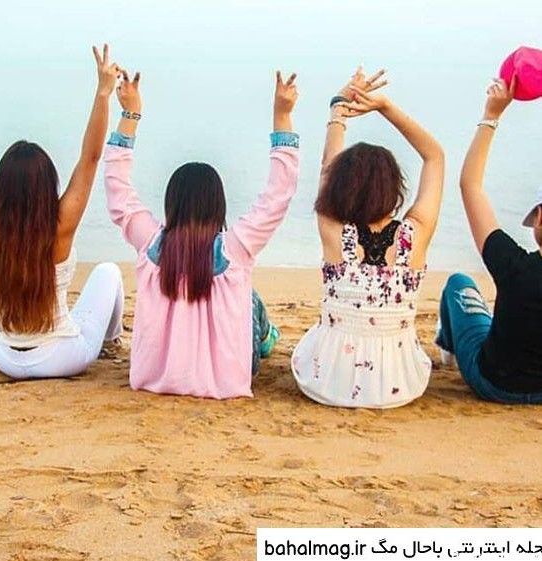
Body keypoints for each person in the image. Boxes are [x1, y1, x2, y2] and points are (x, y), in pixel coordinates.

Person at [104, 69, 300, 398]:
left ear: (171, 202)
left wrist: (130, 115)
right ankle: (269, 338)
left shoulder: (150, 243)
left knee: (248, 296)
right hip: (226, 382)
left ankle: (268, 336)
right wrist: (282, 115)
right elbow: (278, 195)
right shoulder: (235, 249)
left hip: (153, 379)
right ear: (218, 204)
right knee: (250, 298)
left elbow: (117, 188)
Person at [0, 45, 124, 379]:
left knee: (81, 307)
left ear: (4, 187)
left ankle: (104, 339)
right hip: (60, 357)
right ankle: (112, 340)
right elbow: (91, 158)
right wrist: (103, 92)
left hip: (3, 355)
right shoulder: (60, 225)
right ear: (48, 184)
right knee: (109, 272)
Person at [292, 67, 444, 408]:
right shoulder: (414, 235)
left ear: (340, 187)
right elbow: (434, 156)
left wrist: (339, 109)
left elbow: (327, 166)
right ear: (395, 187)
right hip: (399, 385)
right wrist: (384, 107)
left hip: (328, 381)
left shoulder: (334, 231)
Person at [437, 76, 542, 403]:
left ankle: (448, 350)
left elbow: (470, 185)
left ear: (539, 218)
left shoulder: (514, 265)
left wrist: (491, 115)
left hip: (494, 384)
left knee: (458, 283)